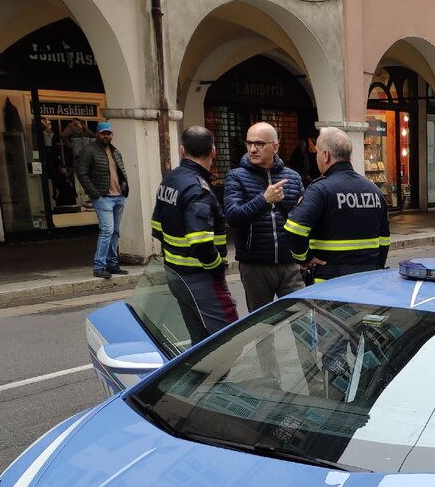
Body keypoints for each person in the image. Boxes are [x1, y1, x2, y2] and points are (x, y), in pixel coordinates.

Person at [151, 126, 234, 342]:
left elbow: (156, 227)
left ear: (181, 150)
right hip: (201, 276)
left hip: (174, 272)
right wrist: (216, 267)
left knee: (199, 339)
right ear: (214, 151)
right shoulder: (198, 189)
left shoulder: (170, 180)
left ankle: (202, 376)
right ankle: (218, 376)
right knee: (229, 339)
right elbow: (201, 242)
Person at [284, 127, 389, 283]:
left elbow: (294, 229)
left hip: (329, 283)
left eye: (318, 153)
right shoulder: (374, 191)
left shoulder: (320, 189)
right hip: (368, 280)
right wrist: (376, 265)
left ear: (325, 155)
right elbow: (384, 240)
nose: (316, 158)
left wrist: (304, 258)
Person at [223, 122, 304, 310]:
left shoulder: (292, 177)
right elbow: (233, 217)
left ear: (275, 147)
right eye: (249, 143)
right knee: (262, 328)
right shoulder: (236, 177)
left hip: (290, 264)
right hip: (255, 265)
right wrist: (264, 200)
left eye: (259, 144)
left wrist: (307, 254)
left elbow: (303, 219)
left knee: (301, 319)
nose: (252, 149)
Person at [76, 121, 130, 279]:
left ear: (112, 135)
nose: (106, 136)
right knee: (107, 231)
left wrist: (124, 186)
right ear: (97, 134)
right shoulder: (89, 151)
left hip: (118, 196)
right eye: (103, 133)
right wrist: (95, 194)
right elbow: (82, 173)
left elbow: (121, 172)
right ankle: (99, 266)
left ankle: (112, 264)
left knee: (115, 232)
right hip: (103, 197)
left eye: (109, 133)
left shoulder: (115, 151)